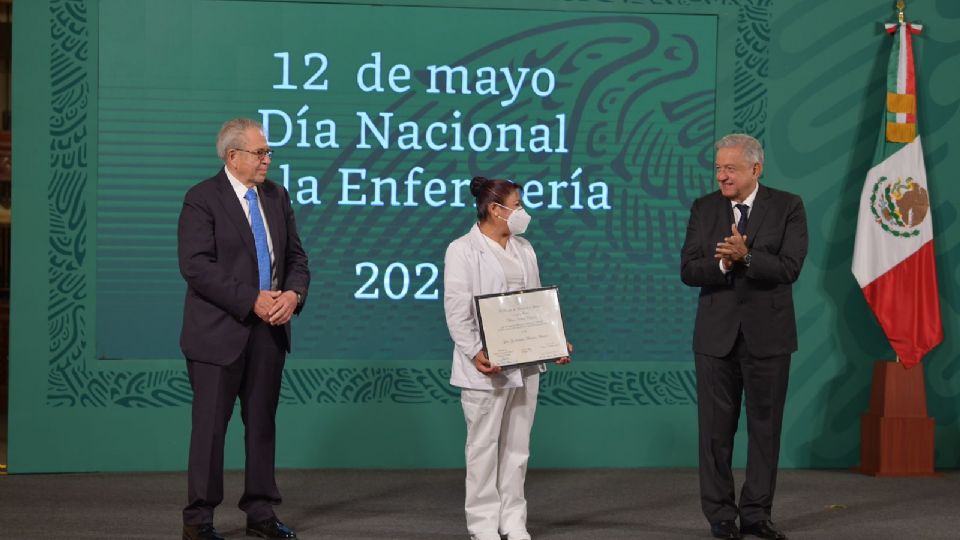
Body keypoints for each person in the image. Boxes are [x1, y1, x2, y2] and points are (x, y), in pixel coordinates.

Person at [178, 118, 310, 540]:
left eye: (268, 153)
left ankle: (260, 512)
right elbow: (196, 266)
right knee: (210, 431)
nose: (267, 160)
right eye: (261, 153)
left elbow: (296, 258)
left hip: (269, 334)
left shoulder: (277, 196)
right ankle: (199, 521)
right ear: (233, 157)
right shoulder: (202, 199)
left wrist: (292, 295)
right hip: (218, 335)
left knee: (262, 425)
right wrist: (249, 297)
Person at [680, 134, 807, 540]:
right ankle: (720, 516)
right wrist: (722, 264)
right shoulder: (704, 208)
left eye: (730, 169)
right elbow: (688, 269)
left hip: (769, 338)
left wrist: (747, 257)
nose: (722, 176)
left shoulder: (788, 207)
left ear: (756, 169)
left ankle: (757, 515)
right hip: (715, 338)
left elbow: (789, 267)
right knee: (715, 432)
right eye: (718, 168)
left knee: (765, 429)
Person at [443, 177, 571, 540]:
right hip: (486, 367)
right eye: (517, 205)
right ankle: (482, 525)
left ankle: (513, 521)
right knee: (483, 447)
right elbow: (457, 310)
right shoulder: (462, 250)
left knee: (517, 446)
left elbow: (536, 303)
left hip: (527, 363)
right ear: (495, 209)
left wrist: (555, 341)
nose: (522, 212)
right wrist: (474, 351)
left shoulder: (524, 248)